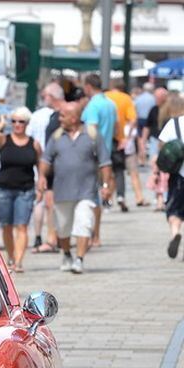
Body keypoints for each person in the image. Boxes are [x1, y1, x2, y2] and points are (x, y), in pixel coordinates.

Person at [38, 102, 113, 275]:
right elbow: (46, 159)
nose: (60, 118)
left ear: (74, 118)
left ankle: (79, 259)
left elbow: (105, 162)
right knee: (63, 228)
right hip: (62, 191)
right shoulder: (57, 136)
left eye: (63, 115)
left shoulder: (93, 135)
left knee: (84, 224)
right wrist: (42, 176)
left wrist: (106, 186)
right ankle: (66, 254)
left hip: (86, 191)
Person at [0, 106, 40, 273]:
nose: (17, 124)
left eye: (21, 121)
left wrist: (42, 181)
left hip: (26, 189)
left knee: (22, 226)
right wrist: (1, 124)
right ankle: (10, 256)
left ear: (27, 123)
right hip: (4, 190)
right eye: (14, 121)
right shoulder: (4, 139)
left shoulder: (34, 143)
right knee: (7, 226)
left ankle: (18, 261)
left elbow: (40, 164)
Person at [29, 83, 66, 253]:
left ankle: (53, 239)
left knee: (52, 203)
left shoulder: (60, 115)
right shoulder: (54, 115)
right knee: (51, 203)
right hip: (52, 164)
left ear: (52, 97)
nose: (44, 99)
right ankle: (57, 237)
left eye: (45, 96)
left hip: (56, 165)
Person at [82, 73, 117, 246]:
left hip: (93, 154)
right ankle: (96, 234)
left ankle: (91, 235)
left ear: (88, 86)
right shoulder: (110, 104)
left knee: (90, 196)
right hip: (107, 152)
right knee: (97, 195)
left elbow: (91, 129)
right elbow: (116, 127)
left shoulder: (93, 105)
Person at [157, 93, 184, 259]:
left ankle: (175, 234)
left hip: (179, 175)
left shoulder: (172, 124)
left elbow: (162, 147)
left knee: (174, 210)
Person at [105, 78, 137, 212]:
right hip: (118, 139)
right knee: (119, 170)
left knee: (104, 169)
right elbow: (133, 119)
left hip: (104, 138)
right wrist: (127, 137)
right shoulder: (126, 98)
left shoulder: (105, 97)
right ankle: (121, 196)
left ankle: (105, 198)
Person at [143, 87, 170, 210]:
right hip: (154, 141)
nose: (156, 99)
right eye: (156, 97)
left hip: (167, 143)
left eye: (158, 97)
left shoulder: (170, 110)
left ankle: (164, 197)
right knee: (155, 170)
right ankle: (159, 196)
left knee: (166, 171)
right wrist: (143, 142)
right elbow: (147, 126)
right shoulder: (153, 109)